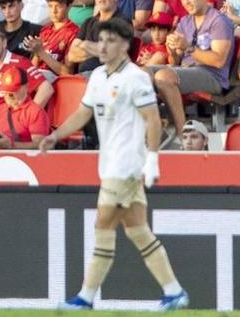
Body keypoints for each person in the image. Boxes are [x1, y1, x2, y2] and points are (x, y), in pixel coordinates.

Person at [39, 16, 190, 311]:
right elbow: (83, 113)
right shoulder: (97, 76)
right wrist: (55, 135)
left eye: (110, 41)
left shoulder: (136, 78)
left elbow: (151, 119)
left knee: (102, 226)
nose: (103, 46)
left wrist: (152, 158)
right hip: (109, 164)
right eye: (101, 40)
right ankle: (174, 291)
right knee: (137, 231)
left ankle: (85, 297)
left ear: (124, 46)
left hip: (127, 166)